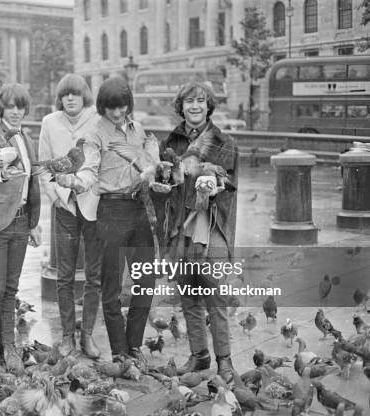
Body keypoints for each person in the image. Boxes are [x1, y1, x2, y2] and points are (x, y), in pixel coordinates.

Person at [57, 76, 159, 363]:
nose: (117, 113)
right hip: (111, 212)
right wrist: (74, 182)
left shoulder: (138, 130)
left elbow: (149, 166)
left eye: (122, 106)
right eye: (111, 107)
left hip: (138, 209)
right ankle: (119, 351)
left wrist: (157, 175)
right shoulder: (93, 134)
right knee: (111, 287)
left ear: (128, 104)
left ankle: (134, 345)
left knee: (145, 282)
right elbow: (89, 171)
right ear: (102, 107)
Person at [159, 81, 238, 382]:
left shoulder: (224, 142)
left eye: (200, 101)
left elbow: (230, 186)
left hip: (211, 226)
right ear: (181, 107)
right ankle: (199, 355)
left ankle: (225, 360)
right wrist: (163, 184)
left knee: (215, 298)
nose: (194, 106)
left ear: (208, 106)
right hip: (181, 228)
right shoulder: (172, 141)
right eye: (189, 101)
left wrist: (215, 187)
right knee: (189, 296)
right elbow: (166, 182)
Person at [0, 83, 41, 374]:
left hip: (20, 221)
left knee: (11, 289)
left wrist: (34, 223)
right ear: (2, 107)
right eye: (10, 106)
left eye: (21, 107)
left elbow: (33, 181)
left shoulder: (27, 137)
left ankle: (9, 345)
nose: (16, 112)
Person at [38, 74, 102, 358]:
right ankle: (67, 337)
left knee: (94, 275)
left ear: (84, 96)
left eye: (75, 94)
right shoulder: (49, 122)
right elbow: (43, 167)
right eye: (65, 95)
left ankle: (87, 334)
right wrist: (55, 199)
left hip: (93, 207)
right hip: (64, 207)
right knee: (64, 276)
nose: (70, 99)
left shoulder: (98, 121)